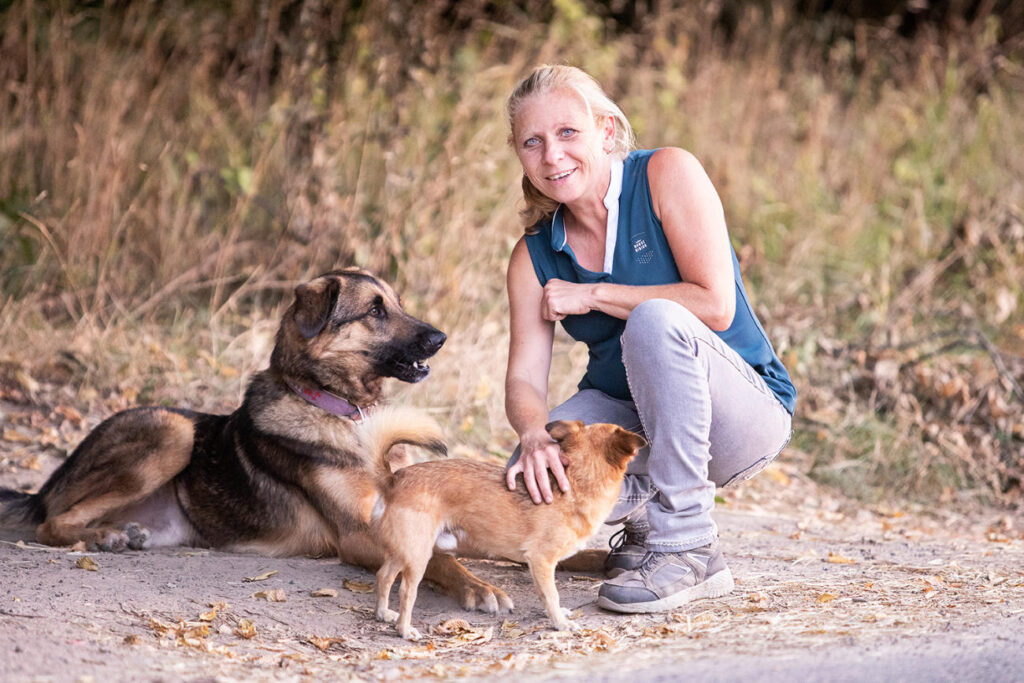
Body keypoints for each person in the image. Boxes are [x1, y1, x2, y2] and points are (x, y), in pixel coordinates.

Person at [502, 64, 796, 614]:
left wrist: (592, 296)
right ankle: (640, 516)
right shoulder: (534, 254)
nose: (552, 155)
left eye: (568, 133)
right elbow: (522, 377)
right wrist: (534, 434)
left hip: (741, 417)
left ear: (606, 132)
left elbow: (714, 303)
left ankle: (688, 543)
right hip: (636, 419)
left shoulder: (666, 172)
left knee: (656, 319)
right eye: (533, 142)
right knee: (529, 468)